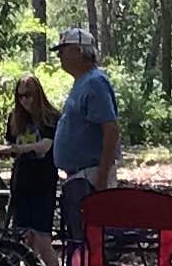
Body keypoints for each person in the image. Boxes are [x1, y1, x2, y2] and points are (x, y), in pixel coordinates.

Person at [49, 28, 120, 253]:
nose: (59, 56)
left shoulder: (95, 83)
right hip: (77, 176)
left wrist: (101, 175)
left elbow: (110, 129)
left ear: (79, 52)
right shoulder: (81, 83)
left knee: (91, 239)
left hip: (89, 176)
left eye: (63, 50)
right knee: (79, 238)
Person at [5, 69, 61, 238]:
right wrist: (7, 151)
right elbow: (11, 142)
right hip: (21, 182)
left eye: (28, 95)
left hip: (43, 183)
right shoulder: (14, 118)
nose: (24, 101)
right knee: (23, 238)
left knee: (42, 238)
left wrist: (16, 149)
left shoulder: (51, 118)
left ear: (38, 94)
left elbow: (45, 145)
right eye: (20, 96)